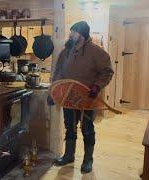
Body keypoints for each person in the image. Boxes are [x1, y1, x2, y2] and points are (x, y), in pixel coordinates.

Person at [47, 21, 114, 173]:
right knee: (70, 127)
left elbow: (107, 72)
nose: (71, 35)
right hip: (68, 98)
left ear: (82, 35)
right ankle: (69, 155)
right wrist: (53, 92)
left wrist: (96, 87)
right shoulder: (66, 52)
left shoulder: (97, 52)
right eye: (71, 32)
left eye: (74, 32)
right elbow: (58, 73)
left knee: (87, 129)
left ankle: (88, 160)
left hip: (87, 100)